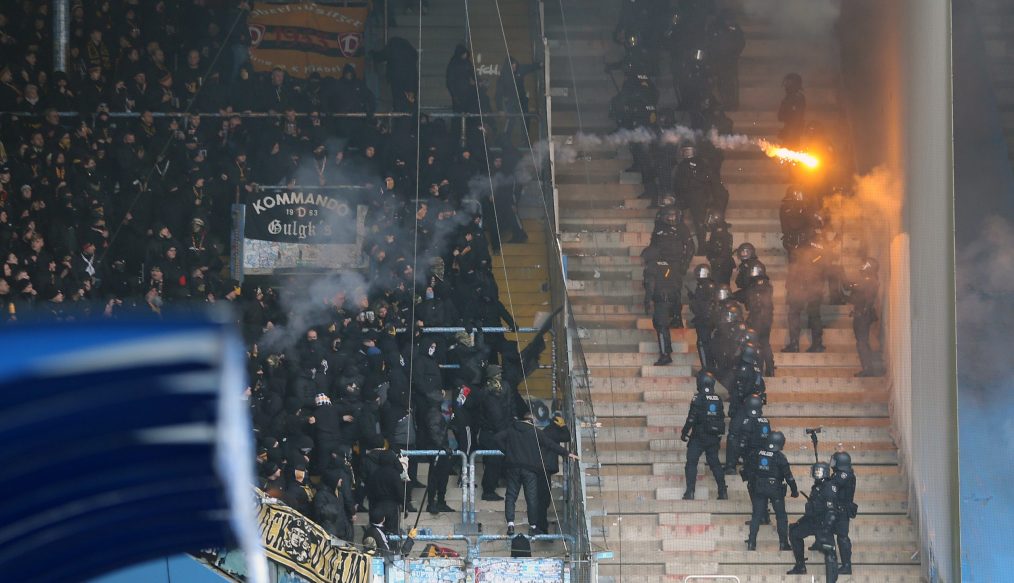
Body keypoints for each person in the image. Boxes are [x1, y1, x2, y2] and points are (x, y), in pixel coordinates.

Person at [496, 407, 578, 536]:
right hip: (530, 469)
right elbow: (551, 444)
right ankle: (533, 527)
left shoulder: (511, 430)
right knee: (532, 498)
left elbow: (497, 438)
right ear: (531, 420)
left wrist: (508, 453)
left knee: (511, 496)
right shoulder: (535, 432)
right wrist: (567, 453)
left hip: (513, 467)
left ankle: (510, 524)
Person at [787, 462, 840, 581]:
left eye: (818, 471)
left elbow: (831, 511)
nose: (816, 474)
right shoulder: (817, 486)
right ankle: (800, 566)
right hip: (812, 519)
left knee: (829, 551)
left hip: (823, 523)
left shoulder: (829, 487)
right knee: (794, 532)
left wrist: (826, 529)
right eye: (815, 471)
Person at [680, 371, 728, 500]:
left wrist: (685, 432)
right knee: (715, 463)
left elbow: (691, 418)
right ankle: (723, 491)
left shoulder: (698, 398)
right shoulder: (717, 398)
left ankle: (690, 492)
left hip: (699, 436)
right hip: (713, 437)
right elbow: (721, 417)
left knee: (691, 462)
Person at [746, 431, 796, 551]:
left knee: (756, 516)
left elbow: (750, 470)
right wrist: (794, 490)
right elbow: (789, 476)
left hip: (760, 487)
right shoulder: (780, 457)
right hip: (775, 490)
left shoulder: (758, 453)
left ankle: (751, 542)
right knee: (781, 516)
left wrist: (753, 485)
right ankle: (783, 543)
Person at [784, 238, 826, 353]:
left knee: (796, 315)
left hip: (804, 286)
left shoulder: (804, 246)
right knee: (812, 315)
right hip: (811, 286)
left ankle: (795, 344)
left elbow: (795, 265)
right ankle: (816, 344)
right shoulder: (817, 246)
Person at [845, 257, 882, 376]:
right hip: (862, 313)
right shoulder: (870, 280)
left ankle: (867, 369)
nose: (861, 267)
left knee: (862, 343)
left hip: (863, 315)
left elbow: (852, 286)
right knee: (862, 342)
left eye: (864, 265)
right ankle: (867, 368)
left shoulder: (868, 280)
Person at [831, 451, 858, 574]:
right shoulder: (840, 474)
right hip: (837, 508)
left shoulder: (844, 475)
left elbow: (833, 484)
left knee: (842, 538)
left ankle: (847, 566)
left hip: (842, 510)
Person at [688, 263, 716, 369]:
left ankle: (707, 368)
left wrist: (693, 300)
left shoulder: (706, 286)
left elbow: (703, 305)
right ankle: (709, 367)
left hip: (705, 320)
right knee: (705, 343)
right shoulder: (707, 285)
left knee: (703, 344)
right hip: (706, 319)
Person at [778, 73, 806, 147]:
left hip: (794, 133)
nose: (786, 87)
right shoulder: (787, 98)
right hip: (789, 131)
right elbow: (780, 116)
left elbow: (797, 118)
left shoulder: (798, 98)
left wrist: (791, 133)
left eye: (788, 84)